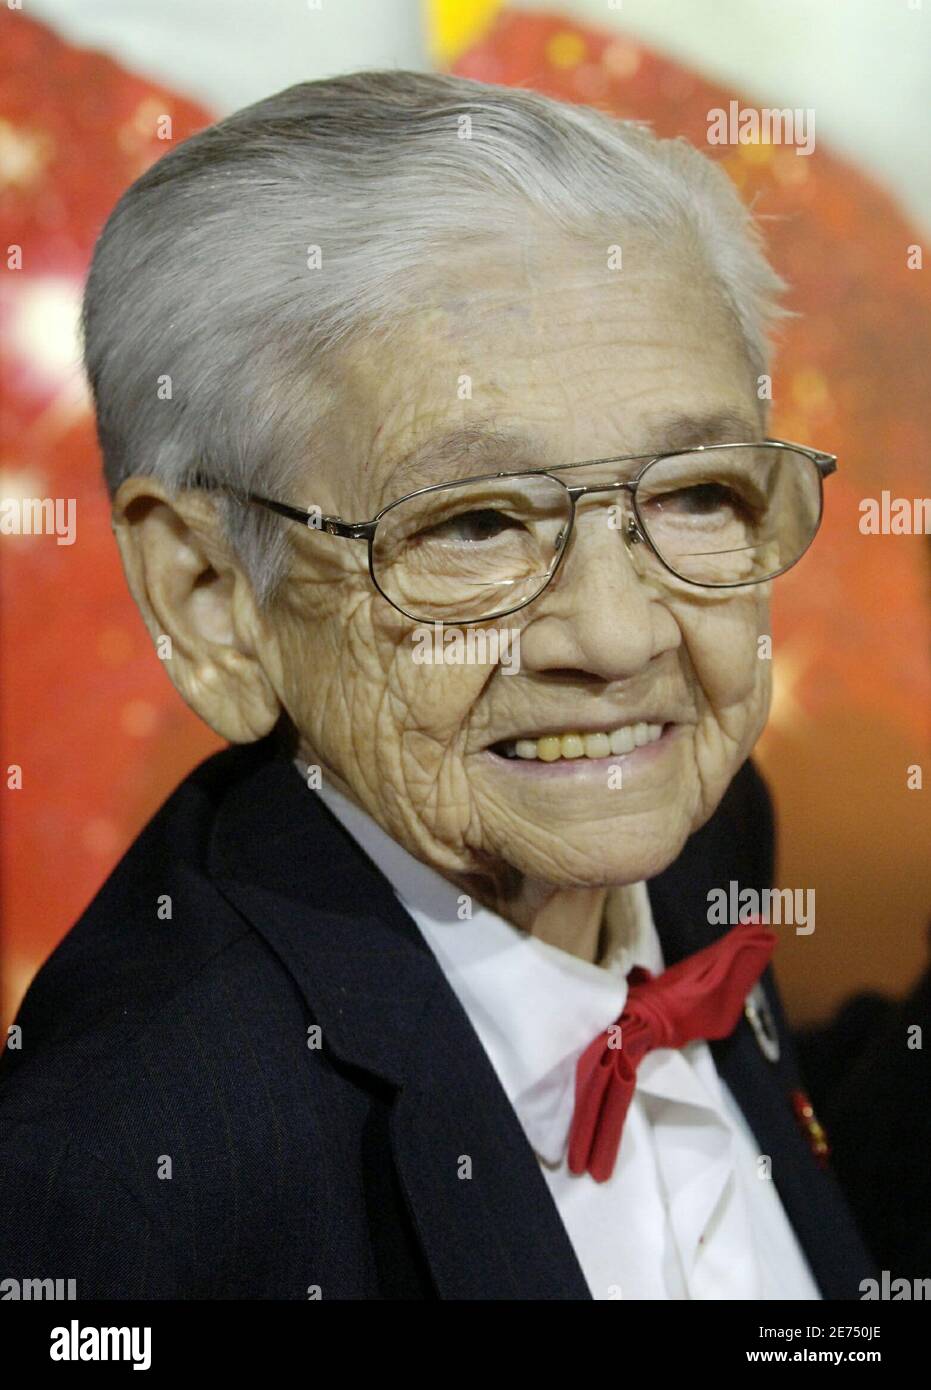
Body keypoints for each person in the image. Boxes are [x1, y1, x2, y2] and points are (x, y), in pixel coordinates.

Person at [0, 71, 875, 1299]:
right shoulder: (116, 1194)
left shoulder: (696, 823)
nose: (621, 640)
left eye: (693, 493)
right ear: (214, 599)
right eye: (471, 524)